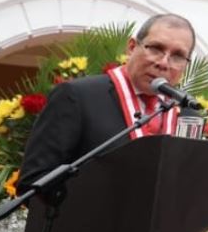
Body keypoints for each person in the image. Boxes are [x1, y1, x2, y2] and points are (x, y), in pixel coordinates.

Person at [19, 13, 198, 181]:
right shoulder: (77, 96)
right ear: (132, 47)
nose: (163, 63)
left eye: (178, 56)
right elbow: (35, 178)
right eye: (156, 48)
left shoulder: (187, 117)